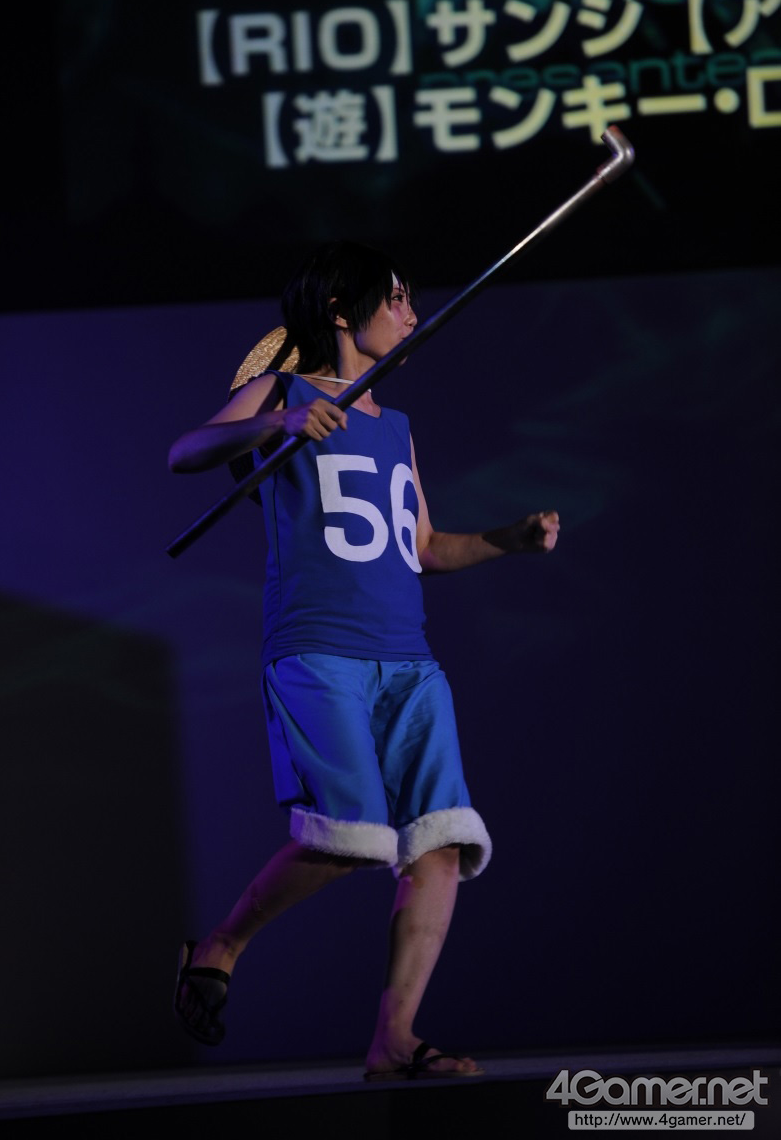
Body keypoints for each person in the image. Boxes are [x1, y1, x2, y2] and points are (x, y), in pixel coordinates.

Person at [168, 241, 559, 1078]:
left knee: (441, 843)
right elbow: (187, 450)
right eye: (396, 298)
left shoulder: (398, 427)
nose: (412, 314)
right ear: (343, 310)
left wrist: (508, 540)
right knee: (351, 835)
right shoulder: (285, 390)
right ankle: (222, 944)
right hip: (318, 654)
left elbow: (424, 547)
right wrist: (277, 423)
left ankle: (395, 1039)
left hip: (408, 664)